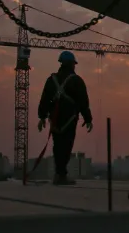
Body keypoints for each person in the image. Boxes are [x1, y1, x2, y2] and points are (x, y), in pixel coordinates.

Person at [37, 50, 93, 185]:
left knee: (57, 146)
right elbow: (83, 101)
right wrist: (88, 118)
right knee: (66, 146)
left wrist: (42, 117)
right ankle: (61, 175)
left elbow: (44, 100)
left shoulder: (51, 80)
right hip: (69, 119)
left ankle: (59, 173)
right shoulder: (76, 81)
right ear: (72, 64)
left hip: (55, 119)